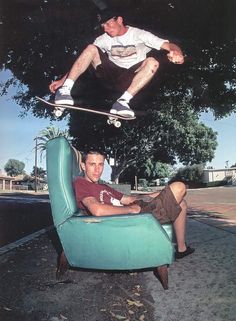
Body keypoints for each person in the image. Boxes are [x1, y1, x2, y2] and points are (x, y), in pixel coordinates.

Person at [49, 8, 184, 118]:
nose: (106, 29)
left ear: (119, 20)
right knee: (90, 48)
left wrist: (178, 54)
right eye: (103, 26)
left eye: (108, 24)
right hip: (109, 75)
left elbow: (169, 45)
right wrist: (62, 80)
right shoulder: (103, 39)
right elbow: (83, 59)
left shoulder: (139, 34)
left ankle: (123, 102)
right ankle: (65, 91)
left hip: (131, 77)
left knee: (152, 62)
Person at [74, 149, 195, 259]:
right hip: (130, 218)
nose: (97, 169)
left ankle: (181, 249)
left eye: (100, 164)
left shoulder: (102, 186)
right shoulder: (81, 184)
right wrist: (131, 210)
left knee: (182, 203)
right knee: (179, 187)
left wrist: (159, 194)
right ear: (83, 166)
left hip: (136, 208)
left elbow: (128, 199)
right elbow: (97, 210)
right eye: (92, 164)